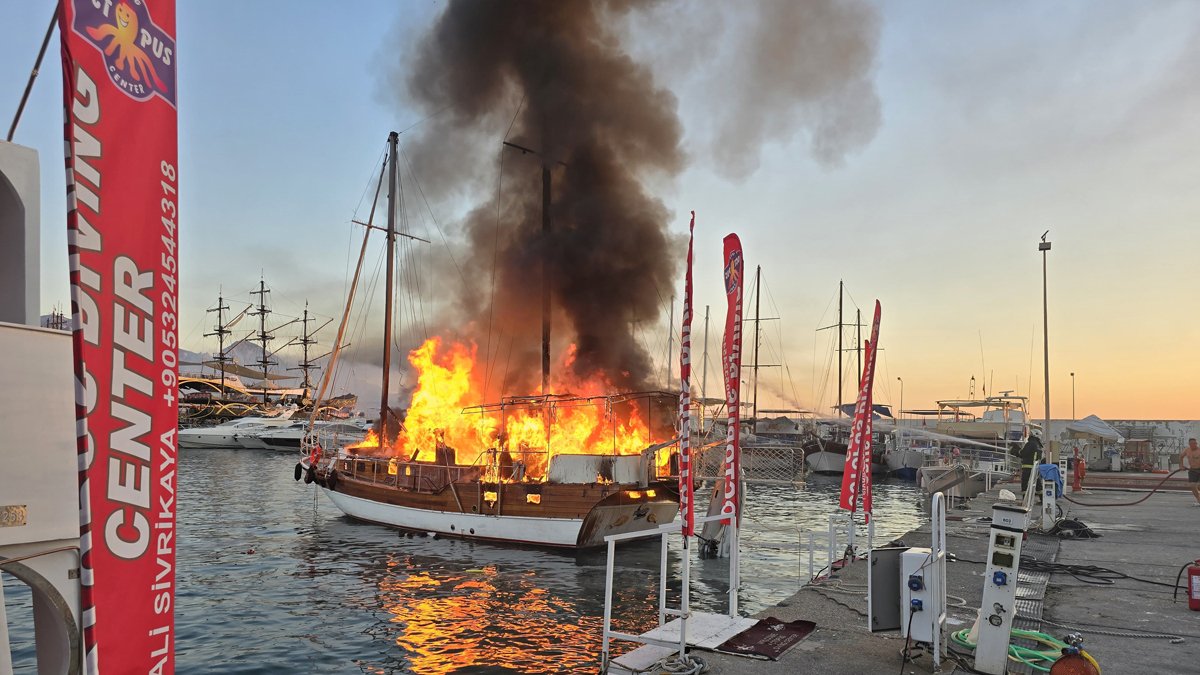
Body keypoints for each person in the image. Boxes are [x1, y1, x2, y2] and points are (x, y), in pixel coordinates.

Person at [1182, 438, 1200, 506]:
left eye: (1195, 443)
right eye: (1192, 444)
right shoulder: (1187, 450)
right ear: (1189, 444)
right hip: (1192, 470)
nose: (1194, 445)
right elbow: (1181, 456)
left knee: (1199, 486)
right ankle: (1199, 500)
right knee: (1192, 486)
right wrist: (1181, 465)